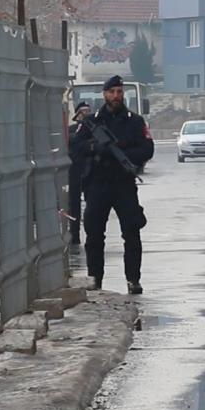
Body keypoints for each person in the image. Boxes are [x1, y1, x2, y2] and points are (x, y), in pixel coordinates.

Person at [69, 75, 155, 293]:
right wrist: (96, 148)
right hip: (98, 184)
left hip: (124, 184)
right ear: (105, 94)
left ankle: (133, 280)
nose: (116, 96)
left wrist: (123, 153)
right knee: (94, 234)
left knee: (132, 232)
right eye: (111, 92)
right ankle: (95, 279)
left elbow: (147, 149)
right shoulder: (92, 122)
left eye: (119, 92)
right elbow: (76, 148)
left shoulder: (135, 121)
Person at [67, 102, 92, 245]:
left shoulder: (94, 129)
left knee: (92, 205)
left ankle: (92, 234)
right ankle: (74, 235)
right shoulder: (72, 130)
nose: (85, 114)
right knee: (74, 205)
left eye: (88, 111)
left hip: (91, 171)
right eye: (83, 111)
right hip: (75, 171)